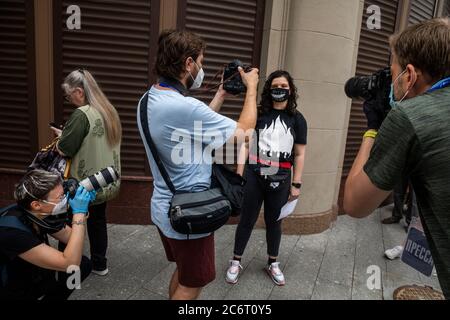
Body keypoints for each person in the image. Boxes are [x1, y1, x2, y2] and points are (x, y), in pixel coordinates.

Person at [137, 30, 259, 300]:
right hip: (190, 212)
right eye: (201, 62)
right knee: (194, 282)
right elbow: (244, 133)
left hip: (164, 205)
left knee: (184, 272)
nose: (202, 68)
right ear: (189, 64)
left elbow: (191, 125)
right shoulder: (184, 107)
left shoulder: (149, 99)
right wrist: (251, 89)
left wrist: (221, 95)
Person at [344, 18, 450, 299]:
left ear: (410, 75)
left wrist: (372, 128)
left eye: (393, 74)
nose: (391, 82)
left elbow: (355, 203)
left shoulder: (410, 116)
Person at [226, 70, 307, 286]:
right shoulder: (258, 114)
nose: (279, 90)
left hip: (281, 179)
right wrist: (239, 174)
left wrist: (296, 184)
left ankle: (273, 262)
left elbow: (299, 153)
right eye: (275, 87)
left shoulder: (297, 119)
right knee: (247, 220)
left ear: (290, 91)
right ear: (269, 90)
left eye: (284, 87)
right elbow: (245, 144)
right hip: (254, 174)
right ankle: (236, 260)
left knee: (275, 222)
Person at [51, 69, 122, 276]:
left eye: (68, 94)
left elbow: (65, 149)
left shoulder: (81, 114)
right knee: (98, 221)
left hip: (82, 183)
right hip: (106, 179)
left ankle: (67, 266)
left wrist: (60, 137)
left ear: (79, 92)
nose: (68, 98)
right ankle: (100, 264)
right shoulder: (110, 110)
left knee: (72, 223)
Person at [0, 170, 95, 300]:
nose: (65, 199)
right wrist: (79, 213)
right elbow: (69, 263)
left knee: (83, 265)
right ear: (37, 205)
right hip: (12, 287)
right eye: (61, 197)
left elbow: (71, 238)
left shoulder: (39, 213)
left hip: (33, 275)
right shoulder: (12, 231)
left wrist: (81, 212)